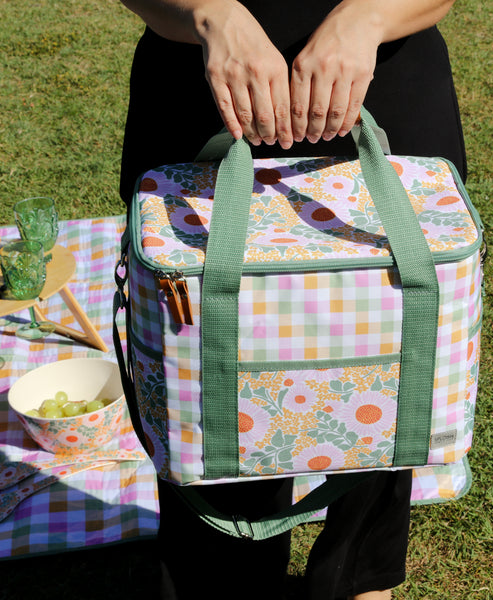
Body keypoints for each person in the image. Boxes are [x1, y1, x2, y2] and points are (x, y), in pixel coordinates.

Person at [118, 2, 466, 599]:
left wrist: (368, 18)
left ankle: (360, 576)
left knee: (385, 366)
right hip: (200, 86)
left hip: (383, 80)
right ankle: (219, 580)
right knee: (208, 379)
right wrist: (209, 16)